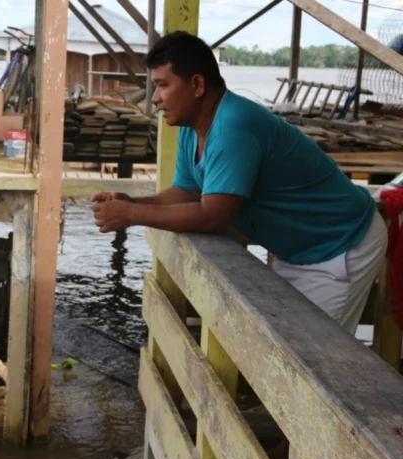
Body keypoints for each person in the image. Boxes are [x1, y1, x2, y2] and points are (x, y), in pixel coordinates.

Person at [90, 31, 387, 335]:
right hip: (296, 247)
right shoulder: (192, 129)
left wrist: (130, 216)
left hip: (338, 242)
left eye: (163, 85)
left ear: (197, 85)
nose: (154, 99)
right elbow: (188, 191)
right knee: (284, 350)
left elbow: (213, 217)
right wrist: (132, 203)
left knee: (316, 360)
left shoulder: (234, 125)